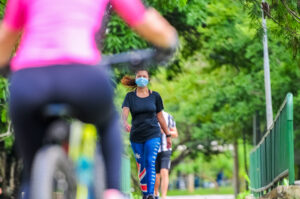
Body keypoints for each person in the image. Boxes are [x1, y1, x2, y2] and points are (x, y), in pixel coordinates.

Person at [0, 0, 178, 198]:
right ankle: (113, 191)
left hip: (30, 79)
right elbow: (142, 19)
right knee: (109, 122)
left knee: (31, 169)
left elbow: (6, 36)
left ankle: (34, 186)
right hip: (82, 74)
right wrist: (169, 40)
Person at [121, 70, 171, 199]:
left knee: (150, 161)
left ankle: (150, 194)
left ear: (148, 79)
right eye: (139, 76)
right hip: (136, 135)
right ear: (136, 78)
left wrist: (168, 134)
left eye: (144, 76)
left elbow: (160, 116)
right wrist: (124, 122)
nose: (142, 78)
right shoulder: (130, 97)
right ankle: (145, 194)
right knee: (141, 165)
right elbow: (125, 110)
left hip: (153, 133)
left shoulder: (155, 96)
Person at [154, 111, 178, 199]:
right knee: (156, 175)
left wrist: (165, 131)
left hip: (166, 149)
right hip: (153, 150)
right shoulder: (149, 116)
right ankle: (156, 194)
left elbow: (175, 134)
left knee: (164, 172)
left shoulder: (168, 116)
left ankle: (164, 197)